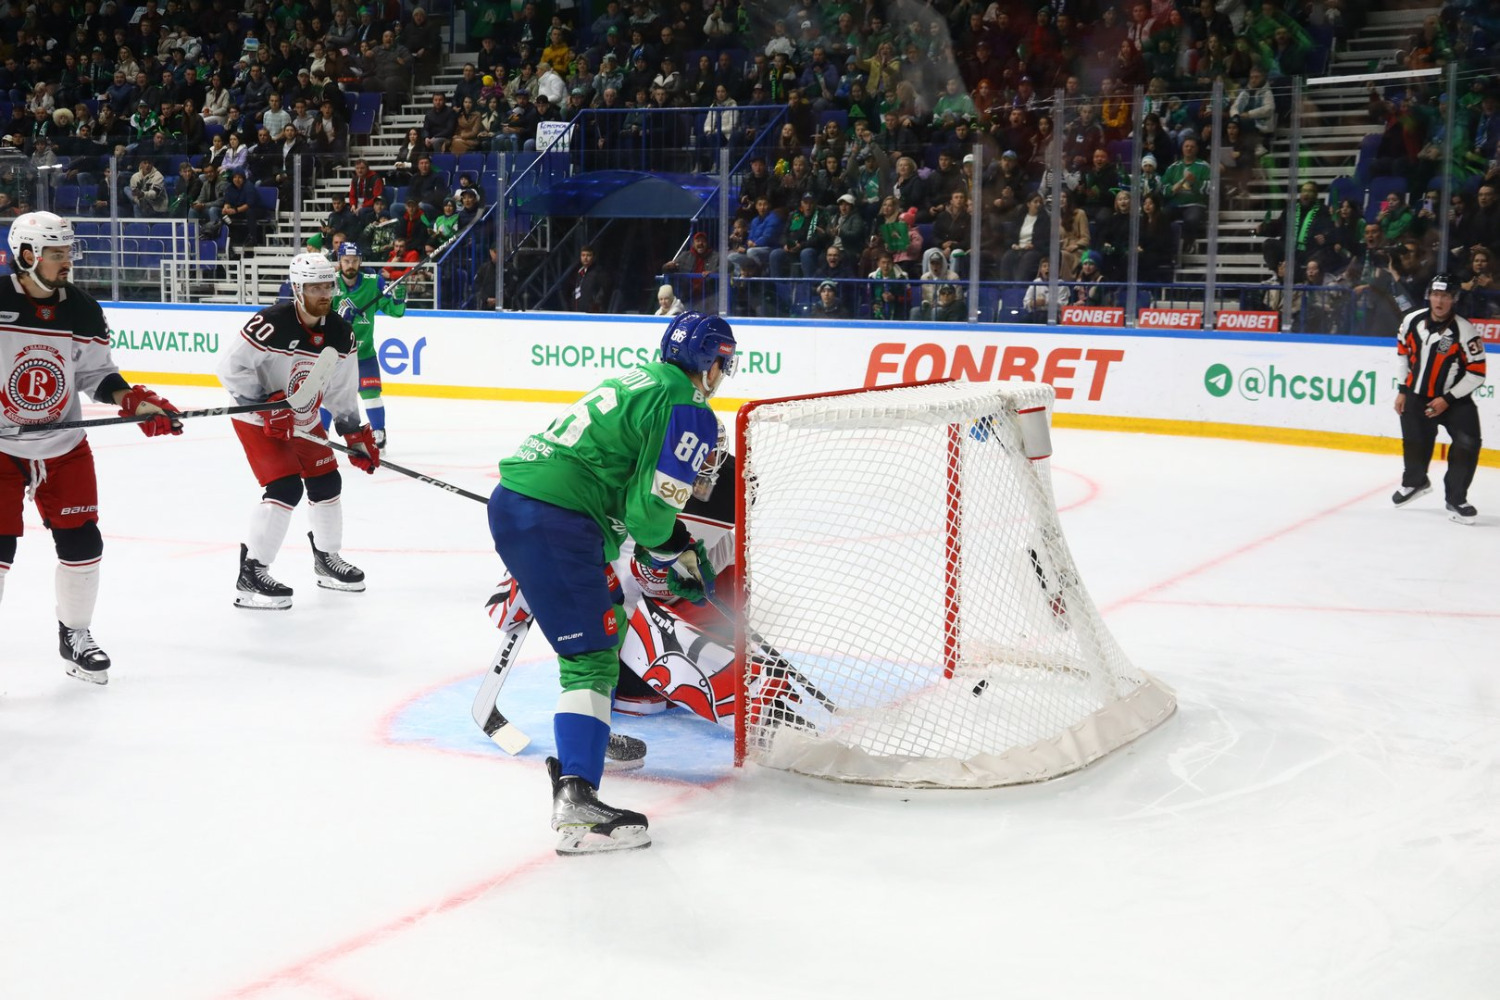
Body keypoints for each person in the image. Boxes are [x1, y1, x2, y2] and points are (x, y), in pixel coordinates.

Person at [488, 312, 735, 854]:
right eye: (723, 362)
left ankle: (588, 735)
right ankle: (577, 801)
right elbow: (648, 520)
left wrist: (670, 551)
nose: (723, 373)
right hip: (556, 520)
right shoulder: (690, 408)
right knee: (592, 659)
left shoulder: (639, 380)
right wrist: (679, 551)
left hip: (526, 506)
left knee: (608, 615)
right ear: (708, 362)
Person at [0, 212, 182, 684]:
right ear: (27, 255)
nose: (67, 262)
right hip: (1, 448)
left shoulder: (81, 307)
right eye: (56, 253)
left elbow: (97, 374)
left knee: (83, 541)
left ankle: (75, 636)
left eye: (68, 252)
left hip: (63, 445)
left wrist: (133, 400)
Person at [216, 252, 381, 609]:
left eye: (328, 286)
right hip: (259, 419)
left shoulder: (341, 333)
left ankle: (326, 559)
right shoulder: (271, 323)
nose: (324, 294)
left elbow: (341, 390)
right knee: (285, 487)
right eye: (315, 288)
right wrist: (264, 403)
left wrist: (354, 434)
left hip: (304, 419)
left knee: (327, 482)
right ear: (297, 289)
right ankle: (252, 572)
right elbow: (231, 369)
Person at [1392, 273, 1487, 524]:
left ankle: (1456, 499)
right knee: (1414, 440)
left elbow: (1477, 373)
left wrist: (1447, 399)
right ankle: (1415, 482)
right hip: (1415, 395)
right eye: (1435, 294)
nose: (1439, 301)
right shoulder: (1411, 321)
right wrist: (1402, 390)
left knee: (1468, 443)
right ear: (1429, 296)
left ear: (1454, 299)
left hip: (1454, 400)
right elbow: (1403, 354)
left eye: (1445, 296)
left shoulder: (1465, 331)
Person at [329, 243, 407, 451]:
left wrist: (399, 300)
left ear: (360, 261)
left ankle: (379, 432)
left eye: (354, 261)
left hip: (364, 354)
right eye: (346, 261)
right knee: (330, 395)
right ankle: (320, 433)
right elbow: (318, 318)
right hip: (336, 356)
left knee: (371, 393)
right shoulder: (329, 284)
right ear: (339, 261)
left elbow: (394, 311)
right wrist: (338, 318)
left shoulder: (374, 283)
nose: (350, 265)